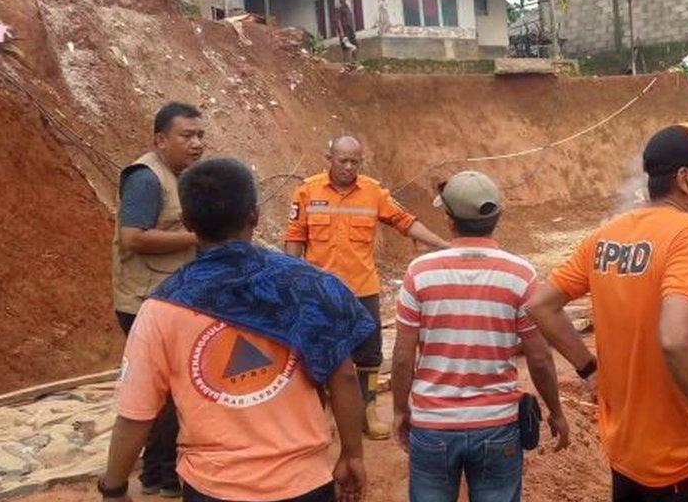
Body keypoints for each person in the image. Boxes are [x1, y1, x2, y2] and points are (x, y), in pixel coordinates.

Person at [99, 157, 374, 502]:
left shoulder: (161, 309)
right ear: (255, 214)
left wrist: (114, 486)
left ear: (187, 222)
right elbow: (345, 376)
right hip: (304, 482)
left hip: (214, 486)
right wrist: (352, 454)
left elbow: (135, 413)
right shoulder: (309, 286)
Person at [527, 123, 688, 502]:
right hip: (685, 464)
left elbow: (540, 304)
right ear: (685, 179)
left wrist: (589, 369)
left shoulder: (607, 235)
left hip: (626, 457)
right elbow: (676, 338)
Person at [391, 171, 570, 502]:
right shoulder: (521, 273)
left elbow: (403, 357)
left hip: (433, 425)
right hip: (497, 426)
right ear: (497, 217)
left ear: (448, 219)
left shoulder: (420, 272)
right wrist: (555, 410)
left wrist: (400, 409)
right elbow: (540, 357)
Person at [284, 136, 450, 439]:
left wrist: (442, 245)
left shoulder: (373, 192)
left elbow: (405, 222)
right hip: (320, 291)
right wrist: (290, 281)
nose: (349, 167)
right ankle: (321, 415)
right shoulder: (307, 191)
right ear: (329, 158)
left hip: (362, 288)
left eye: (355, 161)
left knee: (369, 354)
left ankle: (367, 412)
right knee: (317, 350)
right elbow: (295, 236)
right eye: (343, 160)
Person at [111, 101, 205, 497]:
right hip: (143, 302)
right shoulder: (147, 178)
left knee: (171, 392)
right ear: (160, 139)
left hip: (169, 300)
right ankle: (159, 476)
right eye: (187, 136)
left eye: (200, 135)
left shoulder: (181, 175)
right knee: (162, 394)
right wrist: (197, 238)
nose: (197, 144)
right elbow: (133, 237)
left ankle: (160, 472)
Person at [335, 0, 358, 64]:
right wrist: (341, 33)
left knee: (355, 46)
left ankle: (354, 62)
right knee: (346, 47)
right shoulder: (339, 8)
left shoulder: (347, 7)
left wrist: (353, 30)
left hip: (350, 31)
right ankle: (347, 64)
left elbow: (350, 19)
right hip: (344, 31)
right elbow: (338, 20)